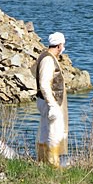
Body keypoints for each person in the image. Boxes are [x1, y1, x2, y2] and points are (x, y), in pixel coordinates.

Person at [32, 32, 69, 168]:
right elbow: (44, 84)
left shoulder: (45, 56)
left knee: (45, 132)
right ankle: (53, 165)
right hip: (50, 103)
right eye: (63, 45)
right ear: (59, 46)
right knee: (54, 134)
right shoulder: (48, 60)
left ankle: (42, 162)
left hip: (46, 102)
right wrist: (52, 105)